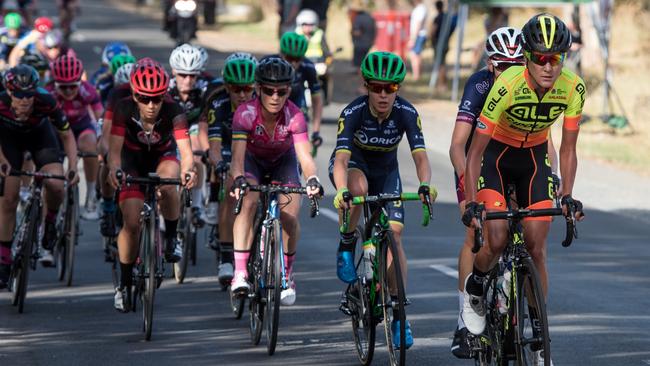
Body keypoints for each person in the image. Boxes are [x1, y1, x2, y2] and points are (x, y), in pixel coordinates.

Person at [461, 14, 586, 365]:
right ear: (528, 57)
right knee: (497, 238)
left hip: (533, 160)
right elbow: (473, 154)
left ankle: (537, 325)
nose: (548, 66)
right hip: (495, 158)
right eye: (540, 58)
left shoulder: (573, 88)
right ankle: (476, 286)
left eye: (556, 58)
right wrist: (471, 203)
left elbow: (568, 148)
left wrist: (567, 195)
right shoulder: (506, 86)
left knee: (537, 246)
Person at [448, 26, 546, 359]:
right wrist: (468, 189)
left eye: (518, 63)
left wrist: (554, 177)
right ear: (491, 65)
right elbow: (459, 145)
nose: (512, 70)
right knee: (476, 232)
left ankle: (523, 305)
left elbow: (542, 137)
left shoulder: (528, 85)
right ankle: (466, 318)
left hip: (516, 161)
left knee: (523, 228)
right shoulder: (479, 86)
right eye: (504, 65)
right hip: (477, 163)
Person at [331, 51, 432, 350]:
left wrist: (425, 184)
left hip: (387, 172)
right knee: (358, 189)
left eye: (391, 88)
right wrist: (341, 190)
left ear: (398, 88)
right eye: (377, 87)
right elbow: (340, 158)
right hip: (355, 168)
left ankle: (399, 314)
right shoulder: (353, 113)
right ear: (366, 86)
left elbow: (420, 156)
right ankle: (347, 242)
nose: (384, 94)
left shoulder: (407, 113)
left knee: (395, 237)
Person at [229, 56, 323, 306]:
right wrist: (238, 179)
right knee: (248, 201)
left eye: (281, 91)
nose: (275, 97)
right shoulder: (245, 113)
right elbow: (237, 158)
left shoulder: (295, 116)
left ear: (288, 91)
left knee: (290, 215)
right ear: (258, 89)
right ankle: (239, 272)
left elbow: (305, 157)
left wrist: (313, 178)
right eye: (269, 91)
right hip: (252, 162)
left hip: (283, 163)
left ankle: (287, 274)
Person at [108, 58, 196, 312]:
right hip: (131, 158)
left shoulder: (174, 111)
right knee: (132, 223)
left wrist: (189, 170)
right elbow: (114, 152)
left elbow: (186, 153)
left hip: (162, 156)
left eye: (157, 98)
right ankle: (123, 284)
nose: (151, 105)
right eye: (144, 98)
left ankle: (170, 238)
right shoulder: (124, 108)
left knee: (170, 183)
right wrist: (114, 169)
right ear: (134, 95)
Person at [0, 65, 79, 284]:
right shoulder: (1, 103)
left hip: (40, 138)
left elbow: (67, 136)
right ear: (9, 92)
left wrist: (72, 166)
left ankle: (50, 221)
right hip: (8, 142)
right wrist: (3, 162)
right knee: (8, 198)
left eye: (29, 95)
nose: (25, 101)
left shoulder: (47, 101)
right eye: (19, 95)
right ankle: (4, 260)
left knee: (56, 184)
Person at [200, 53, 257, 286]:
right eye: (236, 89)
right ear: (227, 87)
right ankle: (226, 257)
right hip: (225, 147)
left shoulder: (261, 102)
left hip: (253, 148)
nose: (242, 95)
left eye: (247, 89)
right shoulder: (218, 103)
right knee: (229, 191)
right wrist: (219, 164)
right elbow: (213, 147)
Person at [46, 55, 104, 220]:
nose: (69, 91)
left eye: (73, 86)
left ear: (80, 82)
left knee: (90, 147)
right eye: (63, 87)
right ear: (55, 84)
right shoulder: (48, 93)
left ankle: (91, 195)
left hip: (81, 128)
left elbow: (101, 118)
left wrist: (102, 139)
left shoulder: (88, 91)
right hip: (56, 130)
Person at [168, 43, 209, 226]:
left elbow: (203, 126)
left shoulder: (202, 92)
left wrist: (206, 151)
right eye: (182, 75)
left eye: (192, 75)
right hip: (169, 130)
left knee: (196, 157)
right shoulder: (166, 91)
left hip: (192, 129)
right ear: (173, 73)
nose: (187, 80)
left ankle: (197, 206)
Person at [97, 61, 135, 246]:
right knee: (107, 161)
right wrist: (106, 154)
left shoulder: (147, 98)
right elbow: (106, 131)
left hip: (135, 141)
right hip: (116, 136)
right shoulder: (115, 95)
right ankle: (107, 206)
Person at [279, 31, 323, 152]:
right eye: (290, 58)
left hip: (297, 101)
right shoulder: (270, 63)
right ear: (281, 54)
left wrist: (316, 131)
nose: (293, 63)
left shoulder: (307, 66)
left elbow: (317, 100)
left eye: (297, 59)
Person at [430, 0, 456, 92]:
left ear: (437, 7)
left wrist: (431, 40)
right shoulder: (446, 17)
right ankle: (443, 83)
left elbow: (433, 31)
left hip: (439, 43)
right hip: (446, 42)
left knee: (440, 64)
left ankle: (441, 85)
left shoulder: (438, 18)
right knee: (443, 64)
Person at [407, 0, 428, 81]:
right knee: (417, 55)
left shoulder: (420, 9)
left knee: (414, 55)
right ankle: (418, 74)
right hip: (418, 35)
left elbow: (418, 24)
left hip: (418, 35)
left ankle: (416, 75)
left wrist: (413, 39)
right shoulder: (419, 8)